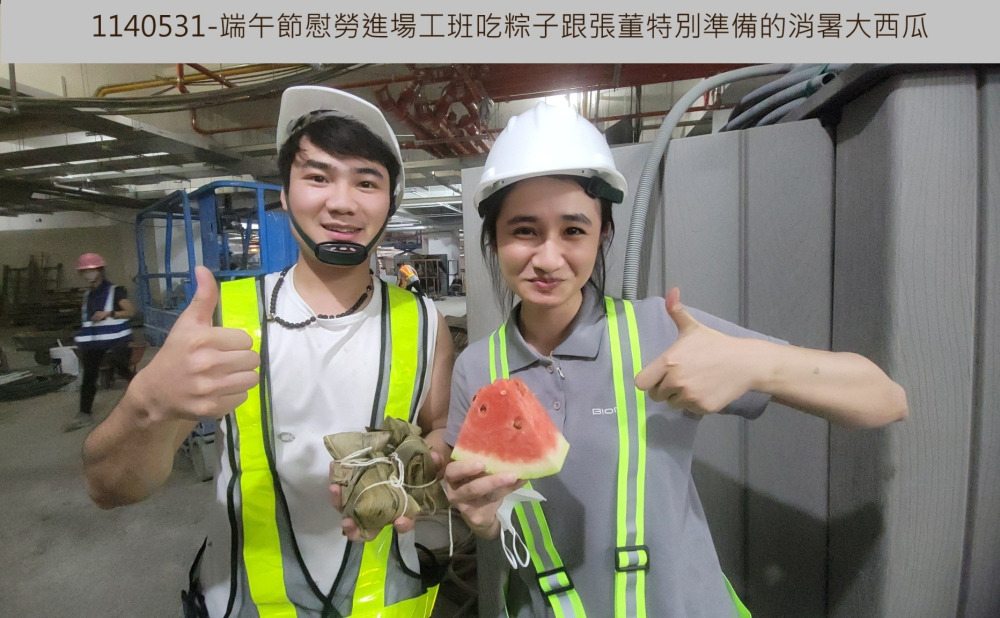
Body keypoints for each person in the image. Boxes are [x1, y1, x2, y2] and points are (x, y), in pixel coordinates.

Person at [443, 103, 909, 617]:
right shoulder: (476, 369)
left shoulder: (661, 331)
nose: (549, 259)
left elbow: (886, 400)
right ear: (494, 238)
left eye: (574, 231)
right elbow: (488, 512)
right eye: (524, 231)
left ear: (603, 236)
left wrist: (758, 364)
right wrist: (481, 518)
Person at [81, 86, 454, 617]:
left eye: (367, 182)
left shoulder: (424, 322)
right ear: (284, 194)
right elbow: (108, 489)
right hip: (242, 602)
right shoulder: (224, 318)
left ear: (390, 203)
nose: (342, 201)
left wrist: (422, 470)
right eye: (318, 177)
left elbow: (439, 431)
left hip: (386, 602)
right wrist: (147, 405)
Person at [63, 252, 136, 432]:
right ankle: (84, 413)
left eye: (92, 270)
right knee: (89, 376)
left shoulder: (115, 291)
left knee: (121, 367)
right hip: (94, 342)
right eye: (85, 271)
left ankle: (147, 396)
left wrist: (108, 313)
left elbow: (129, 311)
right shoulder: (88, 295)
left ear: (100, 270)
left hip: (116, 340)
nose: (89, 274)